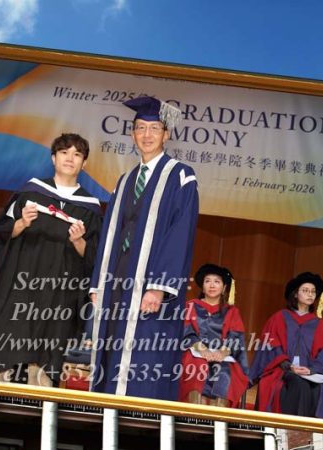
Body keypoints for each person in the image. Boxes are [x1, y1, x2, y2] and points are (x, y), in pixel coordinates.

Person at [89, 96, 199, 400]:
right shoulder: (125, 180)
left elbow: (180, 234)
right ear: (132, 134)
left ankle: (137, 418)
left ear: (167, 134)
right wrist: (98, 283)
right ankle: (106, 411)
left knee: (144, 352)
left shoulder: (180, 176)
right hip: (118, 279)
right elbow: (110, 233)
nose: (146, 135)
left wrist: (159, 287)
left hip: (150, 283)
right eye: (140, 128)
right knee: (111, 343)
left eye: (154, 128)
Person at [0, 133, 102, 386]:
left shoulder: (90, 208)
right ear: (53, 158)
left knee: (47, 350)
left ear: (84, 163)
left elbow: (94, 255)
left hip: (60, 290)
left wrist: (79, 240)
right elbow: (4, 230)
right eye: (64, 152)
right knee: (10, 344)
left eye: (77, 154)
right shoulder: (30, 192)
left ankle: (39, 401)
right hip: (21, 285)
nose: (70, 158)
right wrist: (22, 222)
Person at [249, 272, 323, 418]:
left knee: (312, 386)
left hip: (309, 373)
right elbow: (270, 347)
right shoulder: (279, 318)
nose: (310, 294)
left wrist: (311, 369)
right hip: (282, 370)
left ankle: (302, 429)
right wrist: (288, 366)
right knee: (298, 382)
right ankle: (295, 428)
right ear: (295, 294)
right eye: (305, 290)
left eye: (313, 291)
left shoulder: (320, 326)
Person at [178, 264, 248, 407]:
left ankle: (218, 418)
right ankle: (194, 415)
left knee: (225, 373)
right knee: (197, 368)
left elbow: (235, 337)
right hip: (195, 352)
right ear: (202, 287)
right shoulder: (190, 306)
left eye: (217, 281)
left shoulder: (231, 311)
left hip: (222, 355)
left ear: (224, 288)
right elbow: (187, 331)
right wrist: (202, 350)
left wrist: (222, 352)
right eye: (207, 281)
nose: (212, 285)